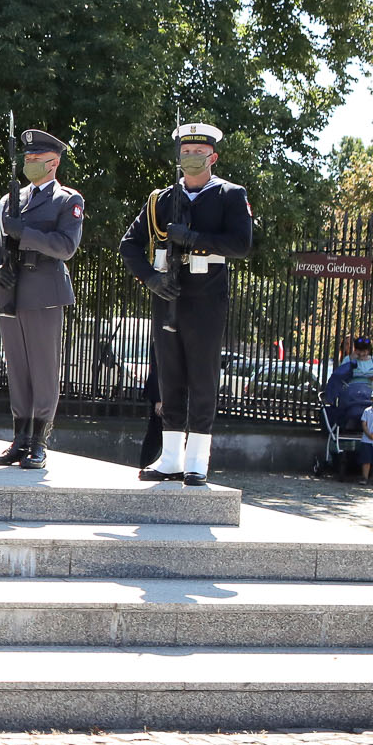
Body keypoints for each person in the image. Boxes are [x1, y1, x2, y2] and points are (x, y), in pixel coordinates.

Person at [120, 121, 253, 485]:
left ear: (213, 157)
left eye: (199, 152)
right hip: (168, 295)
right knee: (170, 376)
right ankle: (170, 458)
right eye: (186, 152)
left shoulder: (229, 194)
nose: (191, 157)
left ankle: (197, 461)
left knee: (202, 377)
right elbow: (129, 245)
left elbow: (240, 244)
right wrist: (151, 278)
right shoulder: (161, 200)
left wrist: (194, 238)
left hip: (206, 297)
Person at [0, 129, 83, 469]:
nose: (30, 163)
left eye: (37, 158)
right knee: (17, 369)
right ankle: (20, 439)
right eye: (27, 158)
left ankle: (39, 442)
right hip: (10, 290)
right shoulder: (10, 200)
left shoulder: (67, 200)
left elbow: (66, 246)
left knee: (43, 369)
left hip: (43, 293)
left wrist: (26, 234)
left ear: (54, 163)